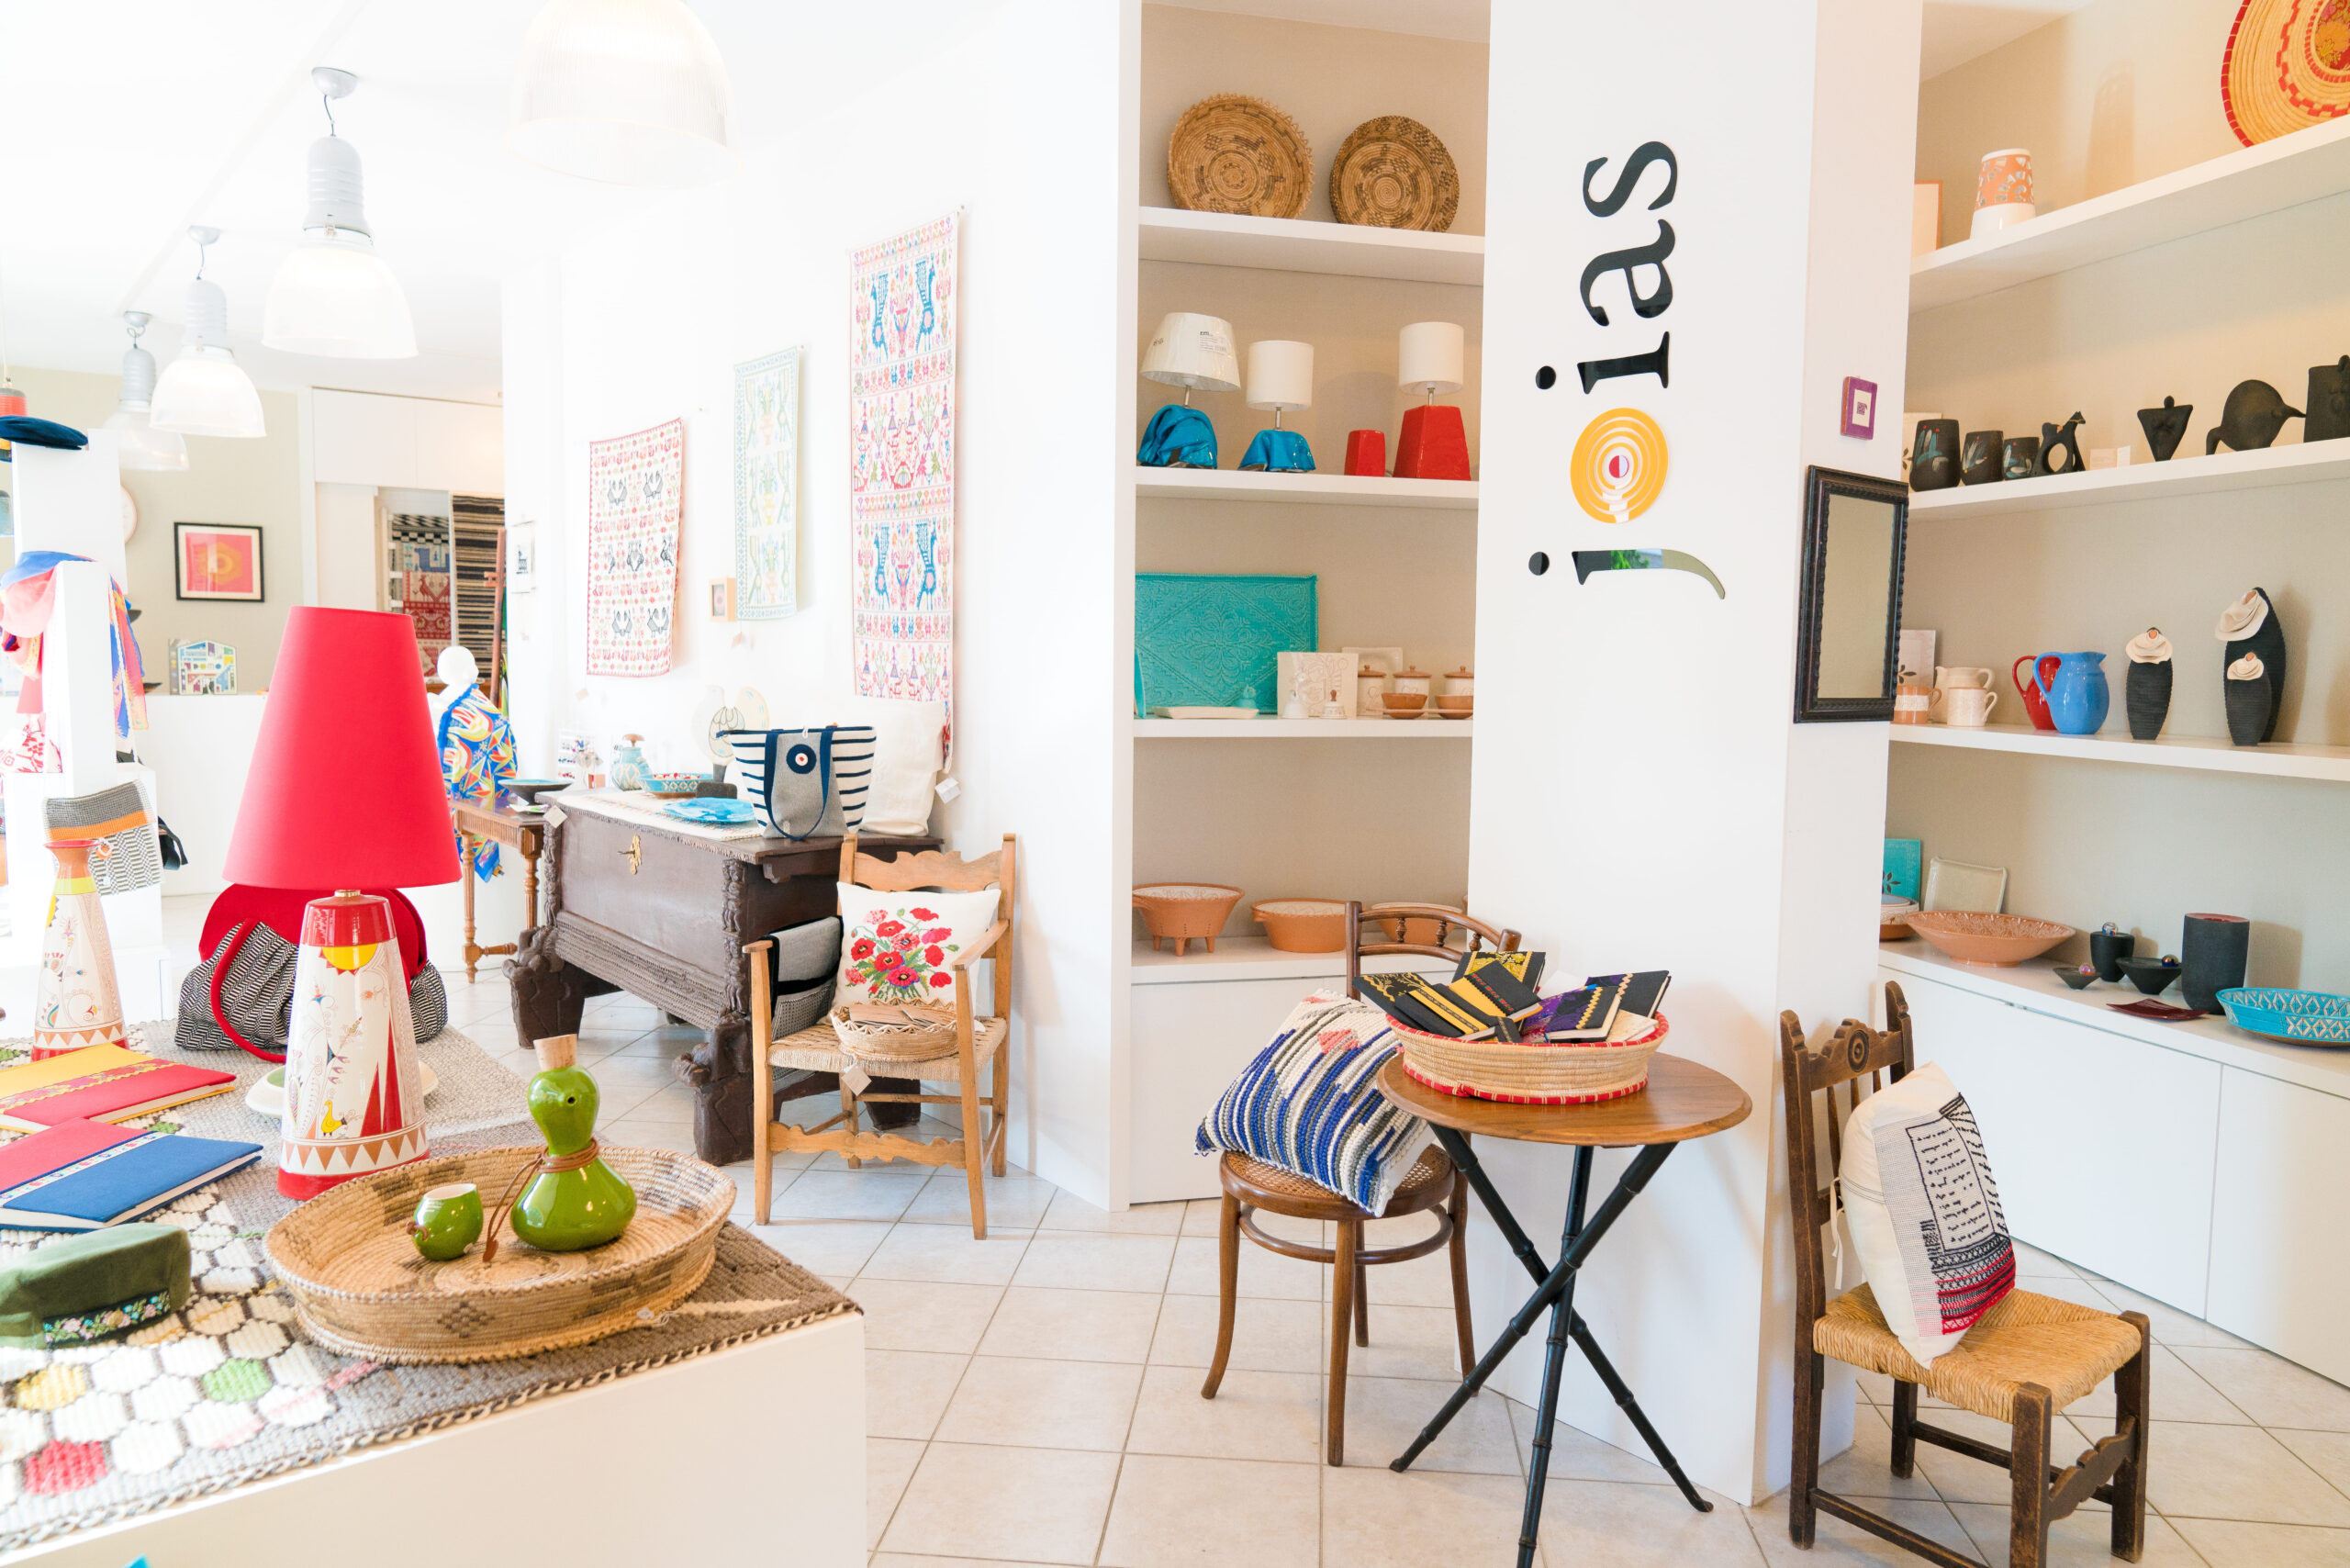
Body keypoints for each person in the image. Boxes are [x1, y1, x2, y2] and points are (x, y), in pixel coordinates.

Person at [433, 645, 517, 878]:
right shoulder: (485, 710)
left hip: (461, 803)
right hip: (477, 802)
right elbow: (505, 755)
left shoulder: (445, 707)